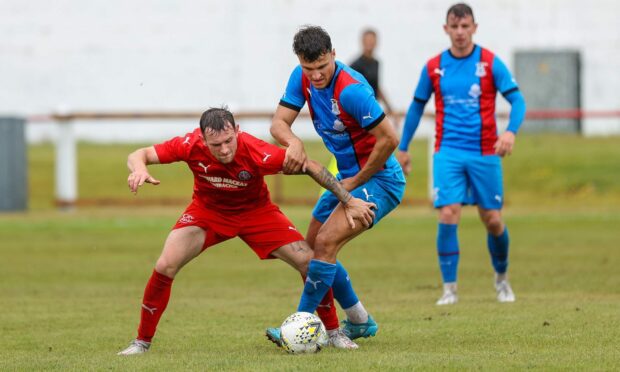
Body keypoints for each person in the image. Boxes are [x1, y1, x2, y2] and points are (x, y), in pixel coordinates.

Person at [117, 107, 376, 355]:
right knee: (165, 264)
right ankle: (141, 342)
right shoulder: (189, 145)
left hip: (257, 214)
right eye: (216, 145)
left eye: (229, 141)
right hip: (208, 213)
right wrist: (140, 168)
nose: (224, 149)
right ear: (203, 139)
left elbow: (311, 166)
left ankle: (334, 333)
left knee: (308, 262)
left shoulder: (256, 151)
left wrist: (348, 199)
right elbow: (139, 154)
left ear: (237, 131)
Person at [265, 25, 406, 347]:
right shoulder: (300, 77)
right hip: (345, 180)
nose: (315, 76)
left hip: (381, 180)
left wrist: (357, 180)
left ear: (333, 54)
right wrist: (293, 143)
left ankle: (297, 326)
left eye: (321, 67)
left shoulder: (351, 91)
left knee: (326, 242)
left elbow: (390, 139)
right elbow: (278, 123)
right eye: (308, 68)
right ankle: (359, 320)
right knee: (312, 248)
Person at [397, 3, 526, 305]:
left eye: (465, 26)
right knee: (447, 212)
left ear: (474, 28)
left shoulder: (490, 63)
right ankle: (449, 289)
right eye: (454, 27)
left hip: (484, 152)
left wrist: (510, 132)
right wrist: (403, 147)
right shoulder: (434, 67)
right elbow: (417, 106)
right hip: (448, 151)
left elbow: (518, 101)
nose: (459, 33)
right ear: (446, 29)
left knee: (492, 219)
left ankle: (502, 279)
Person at [350, 28, 393, 115]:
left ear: (376, 42)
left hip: (373, 108)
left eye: (372, 40)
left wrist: (390, 108)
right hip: (360, 110)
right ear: (362, 42)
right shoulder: (355, 65)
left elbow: (376, 87)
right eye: (367, 40)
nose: (370, 42)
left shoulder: (376, 63)